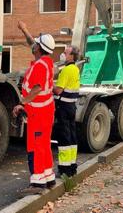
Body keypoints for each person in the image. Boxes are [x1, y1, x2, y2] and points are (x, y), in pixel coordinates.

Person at [12, 21, 56, 194]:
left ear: (39, 48)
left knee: (36, 146)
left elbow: (37, 89)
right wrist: (24, 29)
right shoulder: (46, 61)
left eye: (36, 43)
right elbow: (33, 43)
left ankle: (37, 183)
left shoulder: (39, 66)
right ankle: (48, 178)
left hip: (39, 113)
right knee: (44, 145)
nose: (33, 44)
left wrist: (22, 102)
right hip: (44, 111)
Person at [53, 45, 81, 177]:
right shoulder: (75, 69)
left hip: (63, 108)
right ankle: (72, 166)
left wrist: (48, 82)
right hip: (71, 107)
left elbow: (58, 90)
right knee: (71, 136)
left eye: (65, 52)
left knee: (64, 138)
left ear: (71, 56)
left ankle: (64, 169)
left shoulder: (66, 70)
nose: (62, 54)